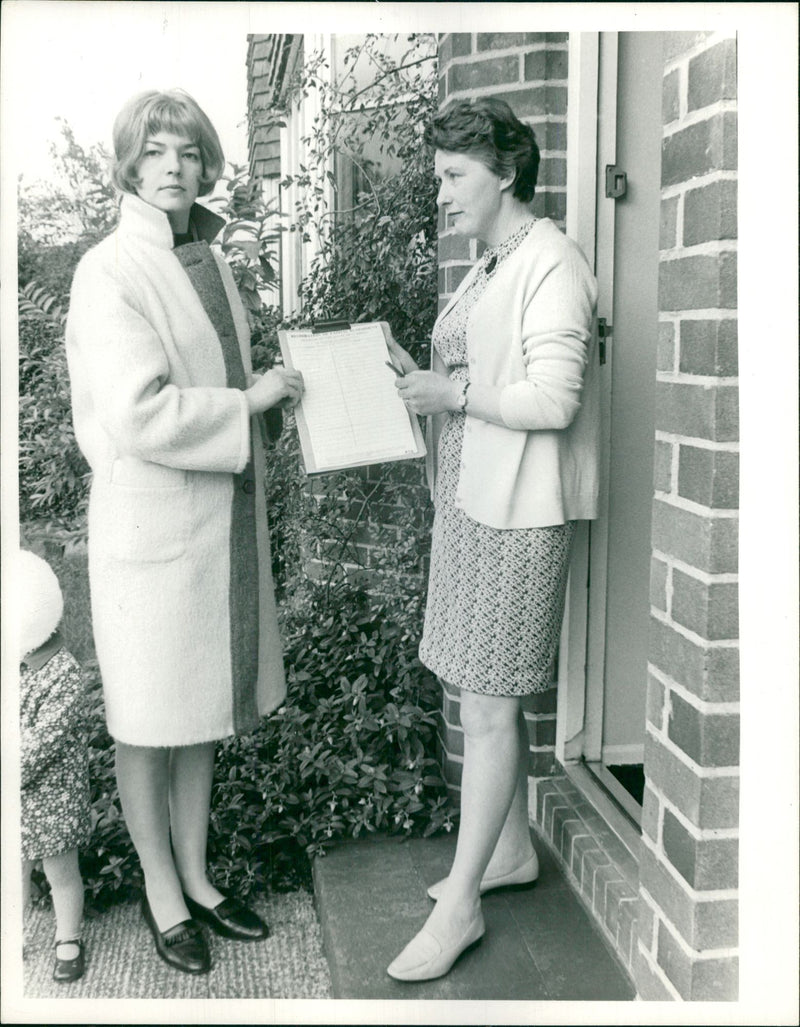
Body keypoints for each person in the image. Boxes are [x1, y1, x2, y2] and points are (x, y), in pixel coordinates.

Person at [65, 89, 304, 975]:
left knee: (198, 708)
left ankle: (198, 876)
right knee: (146, 719)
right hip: (150, 534)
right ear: (128, 166)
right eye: (156, 151)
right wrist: (248, 403)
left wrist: (271, 387)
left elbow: (216, 373)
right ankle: (162, 891)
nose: (174, 167)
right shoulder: (109, 270)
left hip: (211, 526)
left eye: (189, 152)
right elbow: (138, 412)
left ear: (207, 165)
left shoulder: (204, 258)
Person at [384, 96, 599, 981]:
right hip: (473, 504)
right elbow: (477, 369)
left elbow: (555, 398)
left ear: (505, 172)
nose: (441, 192)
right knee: (470, 688)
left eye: (453, 175)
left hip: (519, 514)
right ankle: (507, 851)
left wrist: (453, 395)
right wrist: (421, 378)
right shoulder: (494, 261)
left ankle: (463, 905)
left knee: (489, 706)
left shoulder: (551, 260)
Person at [19, 549, 92, 984]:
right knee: (15, 871)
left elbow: (41, 742)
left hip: (54, 799)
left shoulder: (63, 674)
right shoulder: (15, 664)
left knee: (61, 873)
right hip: (19, 800)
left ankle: (68, 936)